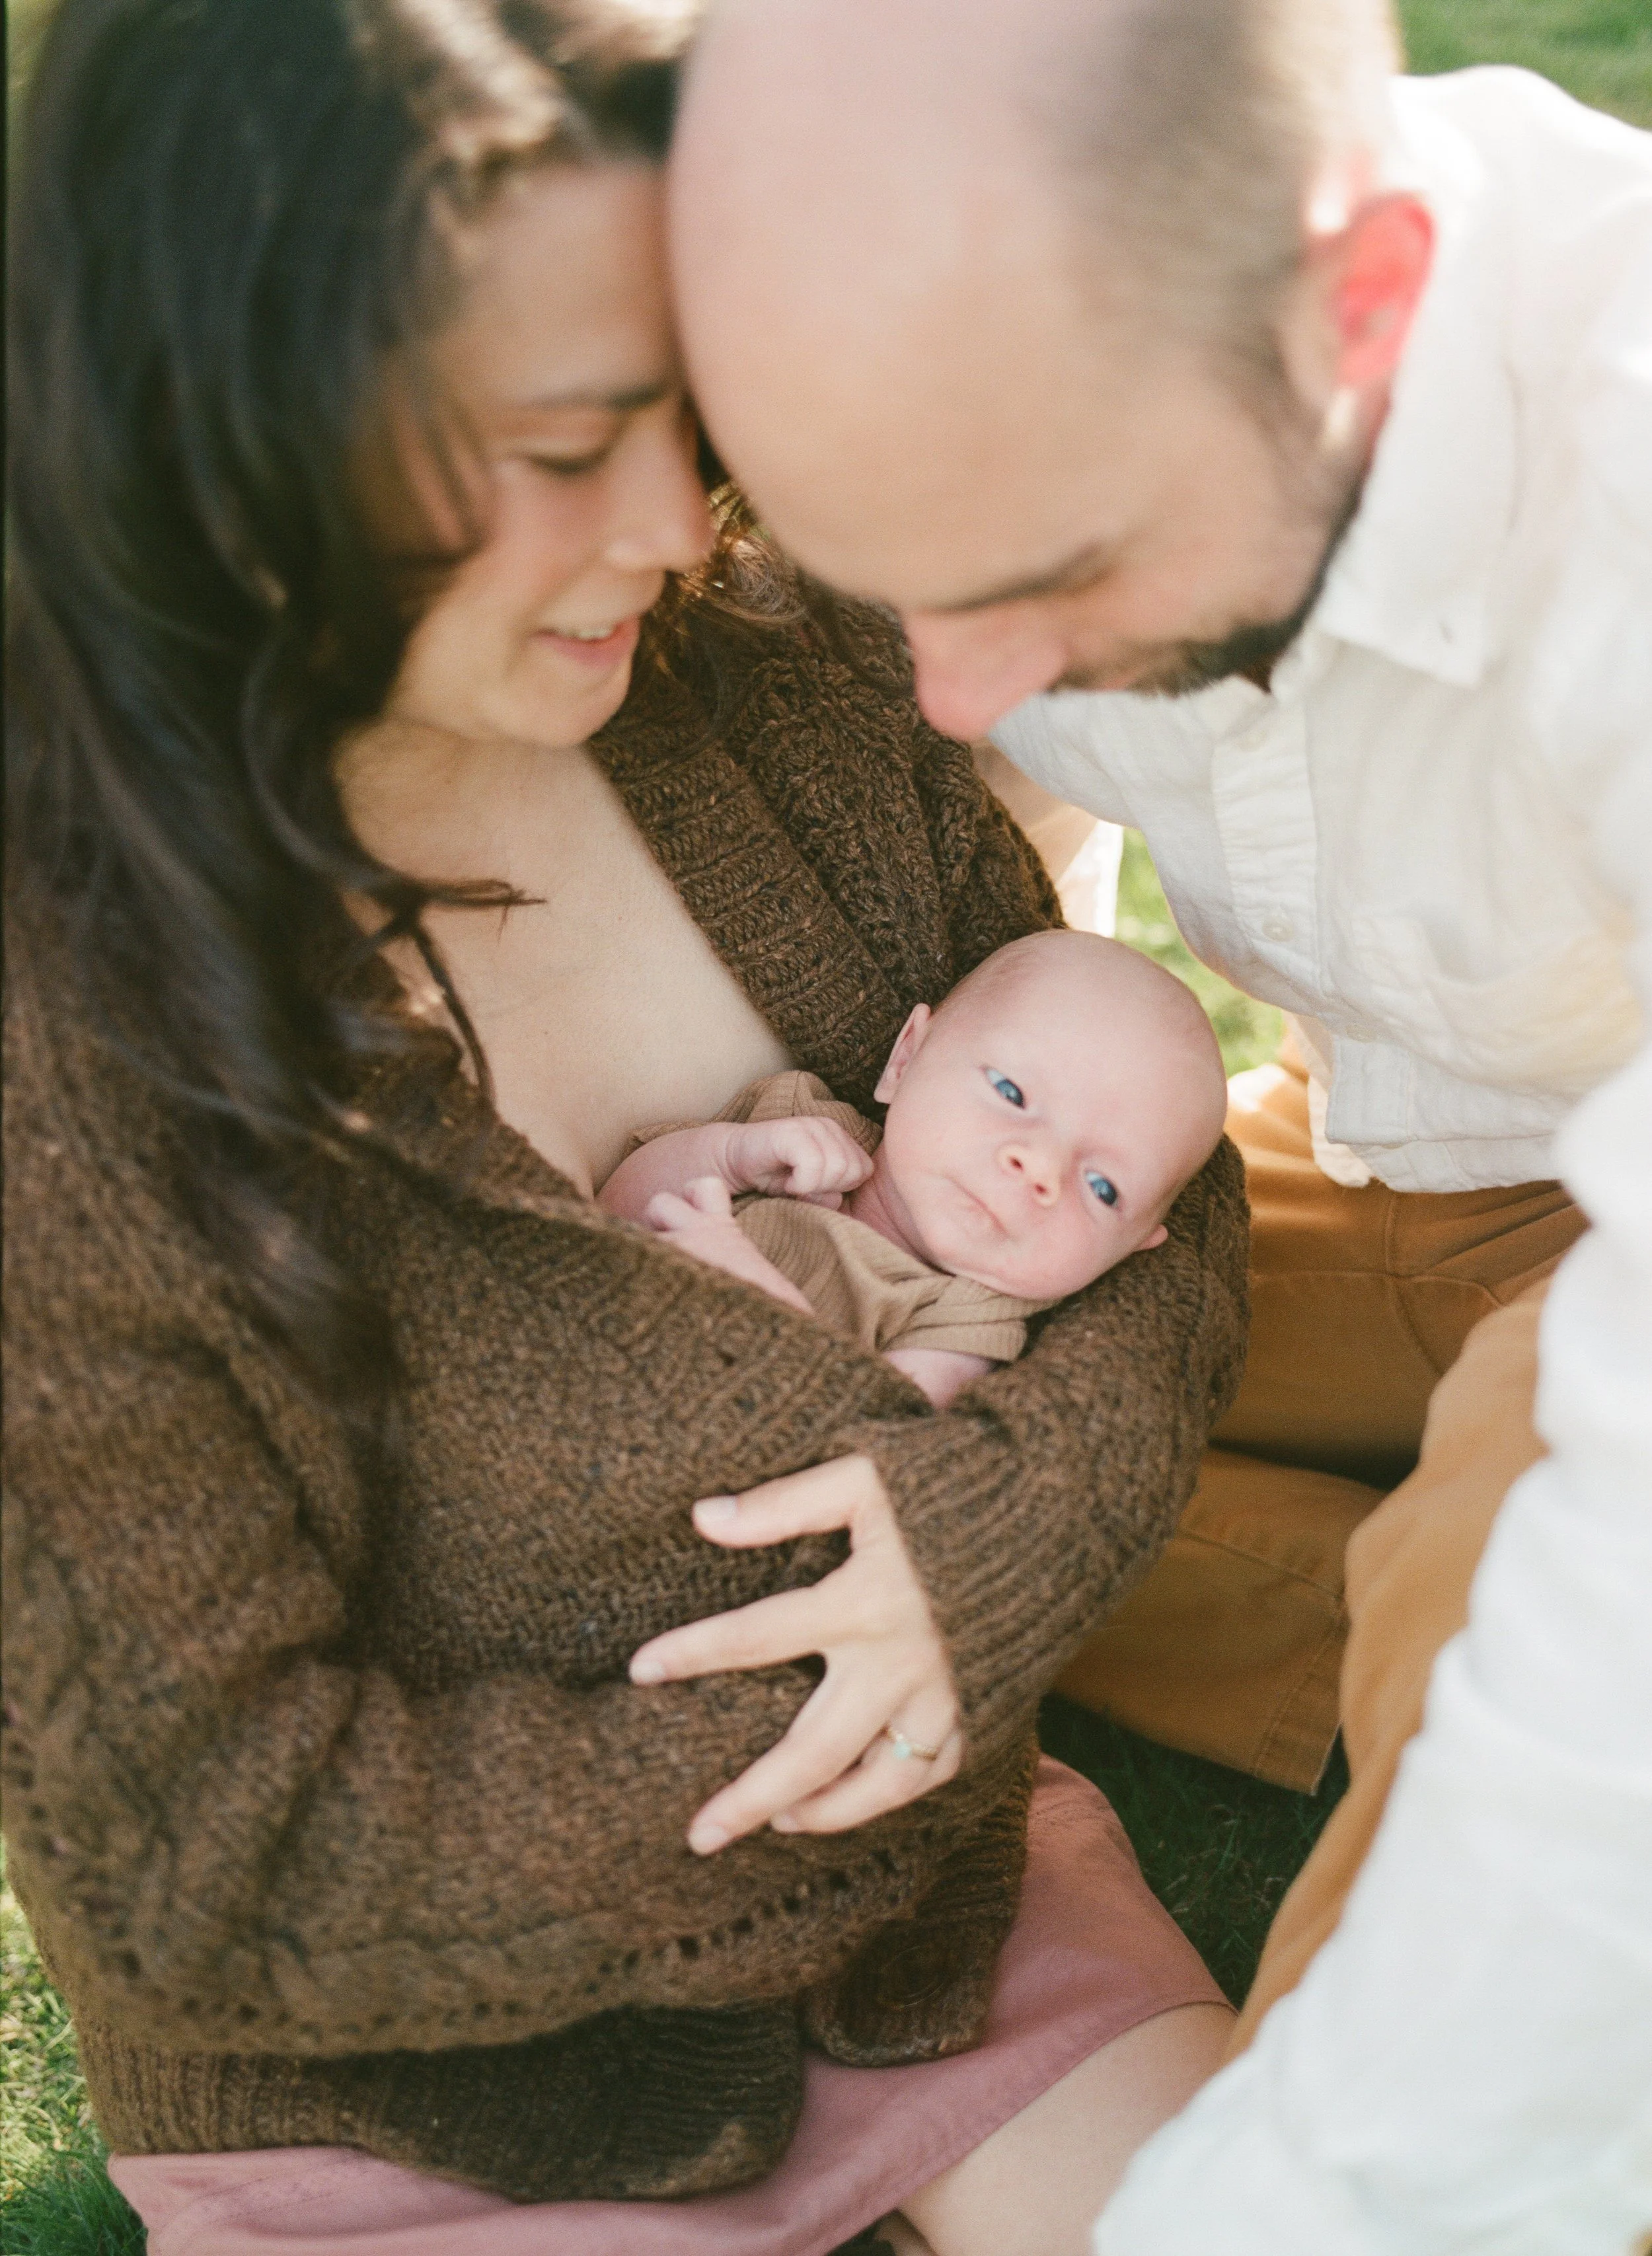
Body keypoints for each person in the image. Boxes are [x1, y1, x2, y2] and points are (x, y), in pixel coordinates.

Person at [1, 3, 1250, 2253]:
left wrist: (1009, 1539)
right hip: (405, 2086)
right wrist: (845, 1745)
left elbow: (1148, 1171)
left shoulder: (761, 658)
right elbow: (212, 1856)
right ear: (248, 425)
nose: (675, 525)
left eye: (684, 405)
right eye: (570, 438)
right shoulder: (57, 1044)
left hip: (945, 1923)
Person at [668, 0, 1652, 2246]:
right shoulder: (1032, 424)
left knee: (1543, 1615)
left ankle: (1447, 1637)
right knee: (872, 1471)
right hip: (1363, 1153)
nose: (955, 686)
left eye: (1045, 567)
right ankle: (1398, 1627)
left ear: (1362, 307)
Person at [603, 929, 1229, 1408]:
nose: (1040, 1167)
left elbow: (867, 1441)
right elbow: (613, 1207)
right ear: (906, 1058)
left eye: (1103, 1187)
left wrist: (767, 1316)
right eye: (1011, 1093)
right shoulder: (795, 1128)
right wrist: (729, 1157)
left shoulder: (963, 1325)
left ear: (1132, 1248)